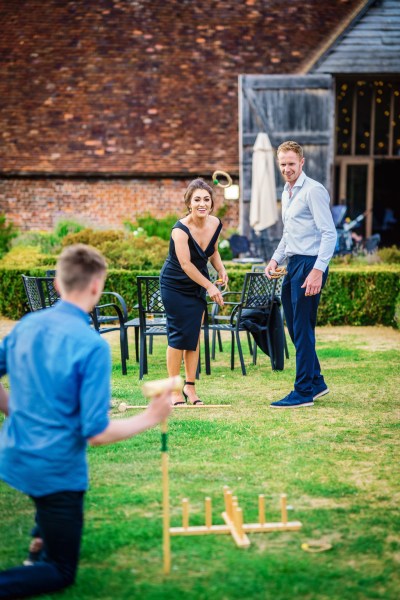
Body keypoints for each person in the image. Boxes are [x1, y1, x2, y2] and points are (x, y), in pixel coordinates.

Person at [0, 244, 173, 599]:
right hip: (56, 468)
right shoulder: (91, 345)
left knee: (45, 508)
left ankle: (39, 541)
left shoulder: (27, 324)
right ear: (97, 287)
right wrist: (151, 417)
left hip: (15, 455)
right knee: (60, 571)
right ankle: (41, 553)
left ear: (58, 285)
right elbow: (96, 433)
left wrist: (15, 411)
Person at [265, 141, 337, 409]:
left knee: (303, 328)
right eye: (282, 164)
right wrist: (275, 259)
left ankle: (303, 391)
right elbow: (288, 234)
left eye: (291, 164)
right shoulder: (286, 192)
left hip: (310, 265)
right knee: (295, 327)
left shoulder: (314, 191)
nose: (287, 169)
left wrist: (318, 270)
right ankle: (316, 382)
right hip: (293, 263)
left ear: (302, 162)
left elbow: (329, 233)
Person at [160, 178, 228, 405]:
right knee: (178, 336)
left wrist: (221, 269)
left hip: (197, 284)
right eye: (197, 199)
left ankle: (190, 387)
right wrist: (209, 285)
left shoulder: (215, 224)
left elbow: (213, 251)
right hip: (175, 285)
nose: (202, 203)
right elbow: (186, 265)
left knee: (193, 335)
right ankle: (173, 390)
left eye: (206, 199)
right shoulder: (180, 230)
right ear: (189, 203)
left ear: (211, 203)